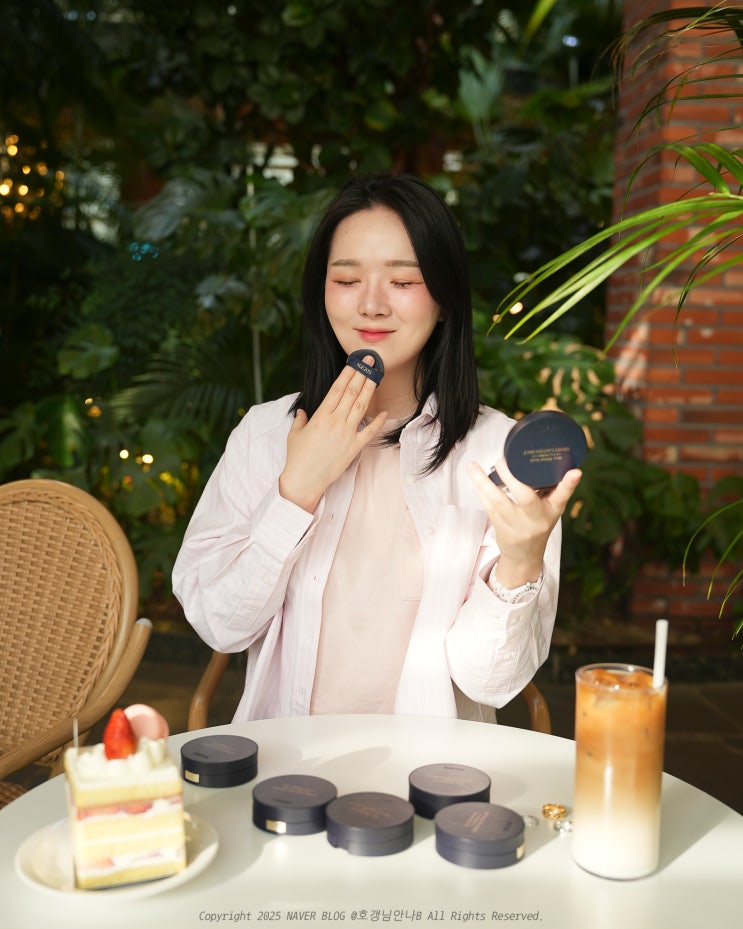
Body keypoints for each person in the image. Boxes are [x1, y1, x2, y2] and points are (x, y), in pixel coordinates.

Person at [172, 173, 582, 722]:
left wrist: (522, 559)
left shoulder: (497, 453)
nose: (370, 304)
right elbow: (219, 624)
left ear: (444, 299)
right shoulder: (264, 434)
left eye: (403, 281)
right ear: (321, 292)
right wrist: (296, 492)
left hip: (433, 768)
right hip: (287, 761)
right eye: (346, 279)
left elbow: (488, 681)